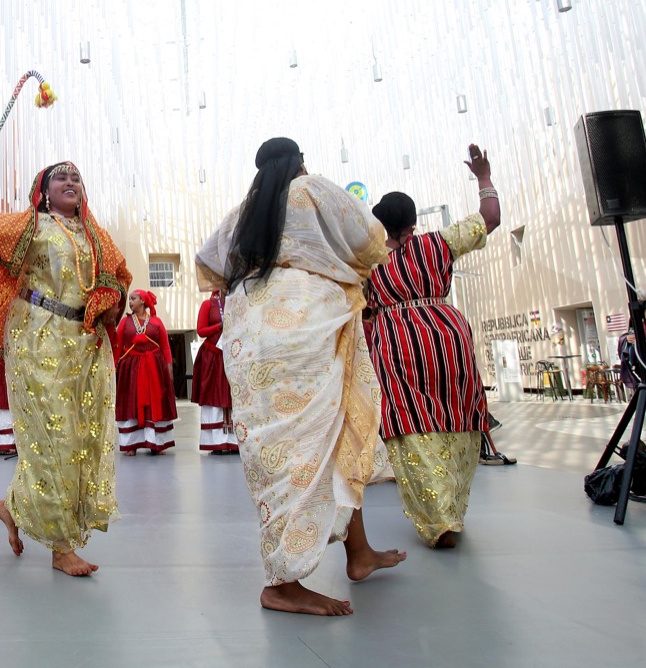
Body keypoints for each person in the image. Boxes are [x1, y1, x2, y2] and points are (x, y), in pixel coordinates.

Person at [196, 137, 404, 615]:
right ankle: (282, 585)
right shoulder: (310, 189)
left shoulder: (245, 211)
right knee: (319, 443)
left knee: (294, 448)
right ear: (300, 161)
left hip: (253, 331)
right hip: (308, 325)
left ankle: (359, 553)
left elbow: (209, 264)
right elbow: (371, 238)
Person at [0, 160, 132, 576]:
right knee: (58, 438)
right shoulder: (30, 227)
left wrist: (111, 299)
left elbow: (120, 279)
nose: (70, 183)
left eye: (76, 178)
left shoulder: (96, 235)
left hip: (85, 345)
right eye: (60, 179)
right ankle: (60, 547)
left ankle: (12, 506)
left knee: (82, 439)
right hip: (39, 338)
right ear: (44, 191)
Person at [364, 143, 501, 549]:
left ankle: (439, 518)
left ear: (379, 225)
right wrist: (483, 177)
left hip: (398, 340)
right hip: (447, 336)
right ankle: (454, 508)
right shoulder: (438, 243)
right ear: (412, 219)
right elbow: (491, 218)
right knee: (455, 413)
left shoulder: (368, 261)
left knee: (411, 422)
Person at [114, 289, 178, 455]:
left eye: (133, 299)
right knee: (131, 403)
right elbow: (118, 346)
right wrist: (114, 366)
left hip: (154, 370)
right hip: (131, 370)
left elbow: (165, 346)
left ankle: (155, 443)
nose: (130, 302)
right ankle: (131, 445)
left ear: (142, 301)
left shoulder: (156, 322)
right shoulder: (125, 322)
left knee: (154, 402)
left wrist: (169, 365)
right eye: (129, 300)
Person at [192, 289, 238, 455]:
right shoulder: (208, 304)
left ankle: (235, 442)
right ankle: (216, 442)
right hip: (213, 356)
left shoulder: (238, 300)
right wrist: (220, 325)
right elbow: (201, 330)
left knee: (235, 396)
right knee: (214, 396)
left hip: (234, 355)